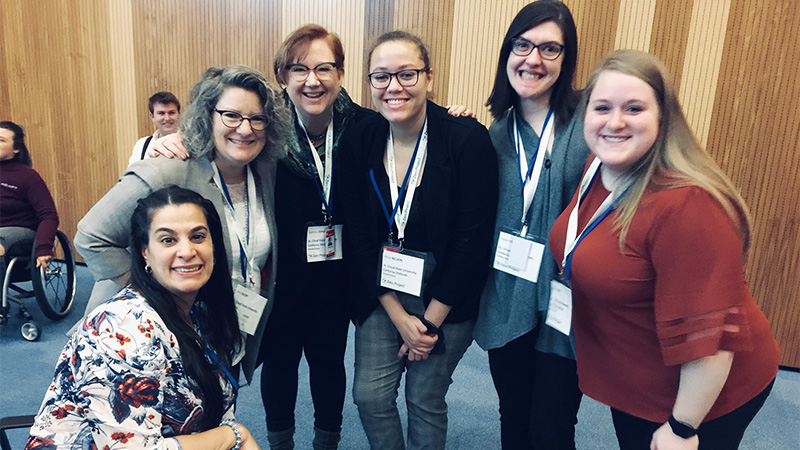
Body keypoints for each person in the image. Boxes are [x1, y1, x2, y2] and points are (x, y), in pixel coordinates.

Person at [548, 49, 780, 450]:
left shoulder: (687, 205)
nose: (615, 122)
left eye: (634, 108)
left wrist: (683, 427)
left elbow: (713, 343)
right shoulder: (600, 167)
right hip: (640, 379)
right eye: (602, 107)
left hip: (703, 396)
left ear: (663, 116)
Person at [74, 65, 291, 384]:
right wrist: (153, 294)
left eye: (256, 118)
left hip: (225, 332)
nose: (245, 129)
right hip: (155, 338)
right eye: (231, 115)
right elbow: (91, 236)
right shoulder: (169, 170)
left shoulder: (264, 173)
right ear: (208, 116)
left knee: (215, 416)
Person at [339, 31, 499, 450]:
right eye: (381, 77)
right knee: (369, 396)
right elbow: (357, 236)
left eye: (407, 74)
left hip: (447, 297)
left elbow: (472, 240)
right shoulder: (360, 139)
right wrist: (396, 314)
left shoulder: (465, 139)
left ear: (429, 77)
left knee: (424, 398)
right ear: (369, 83)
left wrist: (428, 325)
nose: (394, 87)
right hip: (384, 292)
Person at [26, 187, 261, 450]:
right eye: (168, 240)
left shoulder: (198, 314)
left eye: (197, 236)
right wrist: (233, 434)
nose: (187, 251)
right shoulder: (122, 329)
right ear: (144, 252)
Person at [471, 2, 587, 449]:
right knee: (513, 415)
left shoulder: (588, 122)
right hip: (508, 295)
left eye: (550, 49)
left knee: (554, 427)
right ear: (507, 52)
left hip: (565, 303)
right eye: (523, 45)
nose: (533, 59)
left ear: (566, 58)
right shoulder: (495, 134)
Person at [258, 25, 377, 450]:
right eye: (299, 69)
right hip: (282, 280)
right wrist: (171, 141)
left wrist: (453, 115)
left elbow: (418, 131)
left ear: (340, 73)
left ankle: (327, 442)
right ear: (282, 76)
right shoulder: (263, 131)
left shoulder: (366, 127)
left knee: (330, 366)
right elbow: (219, 137)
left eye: (324, 68)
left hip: (338, 277)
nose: (313, 80)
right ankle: (281, 444)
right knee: (279, 366)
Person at [0, 121, 59, 292]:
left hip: (20, 230)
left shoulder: (28, 176)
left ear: (16, 149)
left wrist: (43, 247)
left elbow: (49, 215)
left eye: (1, 140)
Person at [128, 91, 182, 166]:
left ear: (179, 114)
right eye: (161, 113)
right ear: (152, 116)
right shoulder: (141, 145)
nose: (167, 118)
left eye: (171, 113)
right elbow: (132, 176)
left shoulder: (191, 144)